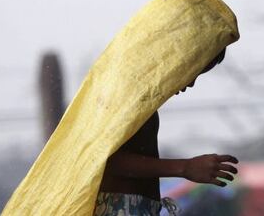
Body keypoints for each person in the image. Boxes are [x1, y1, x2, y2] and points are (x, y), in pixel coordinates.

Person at [94, 48, 239, 216]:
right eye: (193, 71)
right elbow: (105, 160)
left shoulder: (143, 104)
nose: (191, 83)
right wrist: (184, 167)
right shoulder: (125, 97)